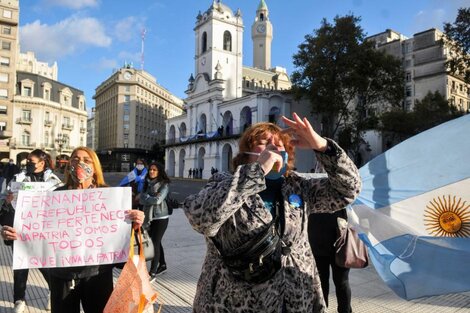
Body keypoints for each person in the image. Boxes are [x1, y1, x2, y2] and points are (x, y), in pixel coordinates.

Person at [183, 112, 361, 312]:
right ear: (247, 153)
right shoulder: (224, 183)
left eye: (279, 143)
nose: (274, 146)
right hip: (235, 302)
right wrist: (257, 171)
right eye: (263, 142)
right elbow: (202, 219)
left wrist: (321, 146)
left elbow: (349, 190)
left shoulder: (299, 186)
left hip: (297, 299)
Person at [3, 147, 144, 313]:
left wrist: (136, 222)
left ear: (95, 167)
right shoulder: (55, 195)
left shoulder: (110, 196)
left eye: (86, 160)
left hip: (97, 274)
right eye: (75, 159)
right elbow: (35, 229)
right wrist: (13, 235)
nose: (80, 163)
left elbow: (123, 234)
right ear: (69, 164)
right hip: (62, 275)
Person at [0, 149, 63, 313]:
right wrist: (7, 201)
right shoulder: (17, 179)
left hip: (42, 232)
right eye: (27, 161)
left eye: (31, 162)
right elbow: (3, 197)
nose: (28, 164)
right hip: (19, 229)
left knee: (45, 266)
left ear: (42, 163)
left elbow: (62, 203)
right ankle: (19, 301)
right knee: (20, 267)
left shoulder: (54, 181)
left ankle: (52, 291)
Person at [138, 162, 171, 281]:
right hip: (149, 217)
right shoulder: (146, 183)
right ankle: (162, 265)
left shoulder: (164, 185)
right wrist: (149, 197)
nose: (151, 171)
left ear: (159, 172)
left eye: (154, 170)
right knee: (156, 242)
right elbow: (140, 199)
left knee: (154, 243)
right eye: (150, 169)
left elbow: (157, 200)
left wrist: (147, 197)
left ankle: (152, 273)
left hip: (161, 217)